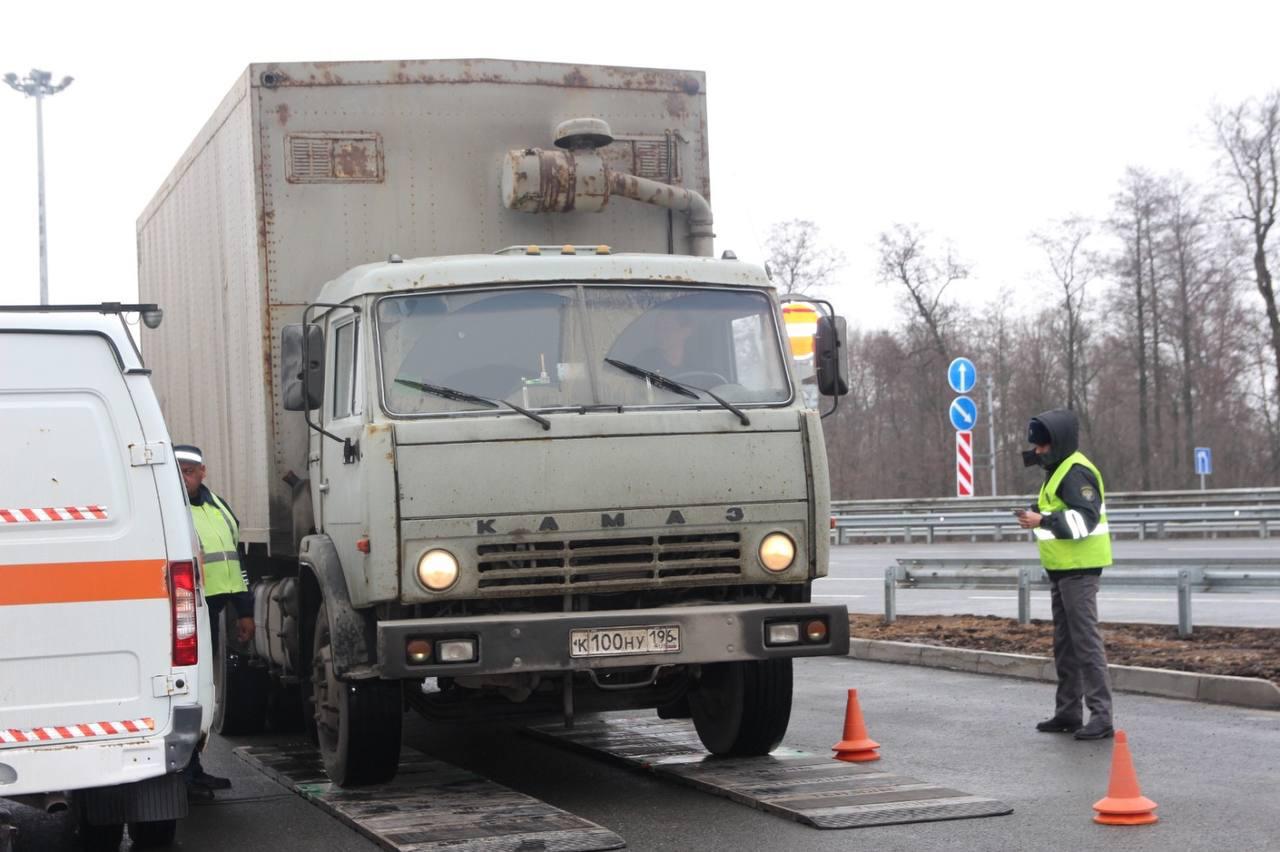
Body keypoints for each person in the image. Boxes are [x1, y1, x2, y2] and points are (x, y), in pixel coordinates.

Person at [1015, 409, 1115, 740]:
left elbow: (1083, 521)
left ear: (1057, 443)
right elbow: (1061, 511)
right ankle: (1069, 712)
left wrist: (1041, 521)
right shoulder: (1058, 471)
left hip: (1080, 571)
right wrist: (1038, 513)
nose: (1038, 452)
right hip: (1062, 572)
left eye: (1042, 446)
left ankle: (1101, 717)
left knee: (1086, 644)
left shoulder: (1075, 472)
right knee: (1066, 645)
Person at [175, 444, 255, 797]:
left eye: (189, 471)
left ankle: (193, 769)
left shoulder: (217, 506)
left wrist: (247, 611)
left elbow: (232, 560)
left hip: (213, 613)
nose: (183, 478)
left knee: (201, 693)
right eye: (177, 470)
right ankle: (184, 775)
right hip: (183, 617)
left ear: (202, 473)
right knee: (186, 693)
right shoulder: (165, 507)